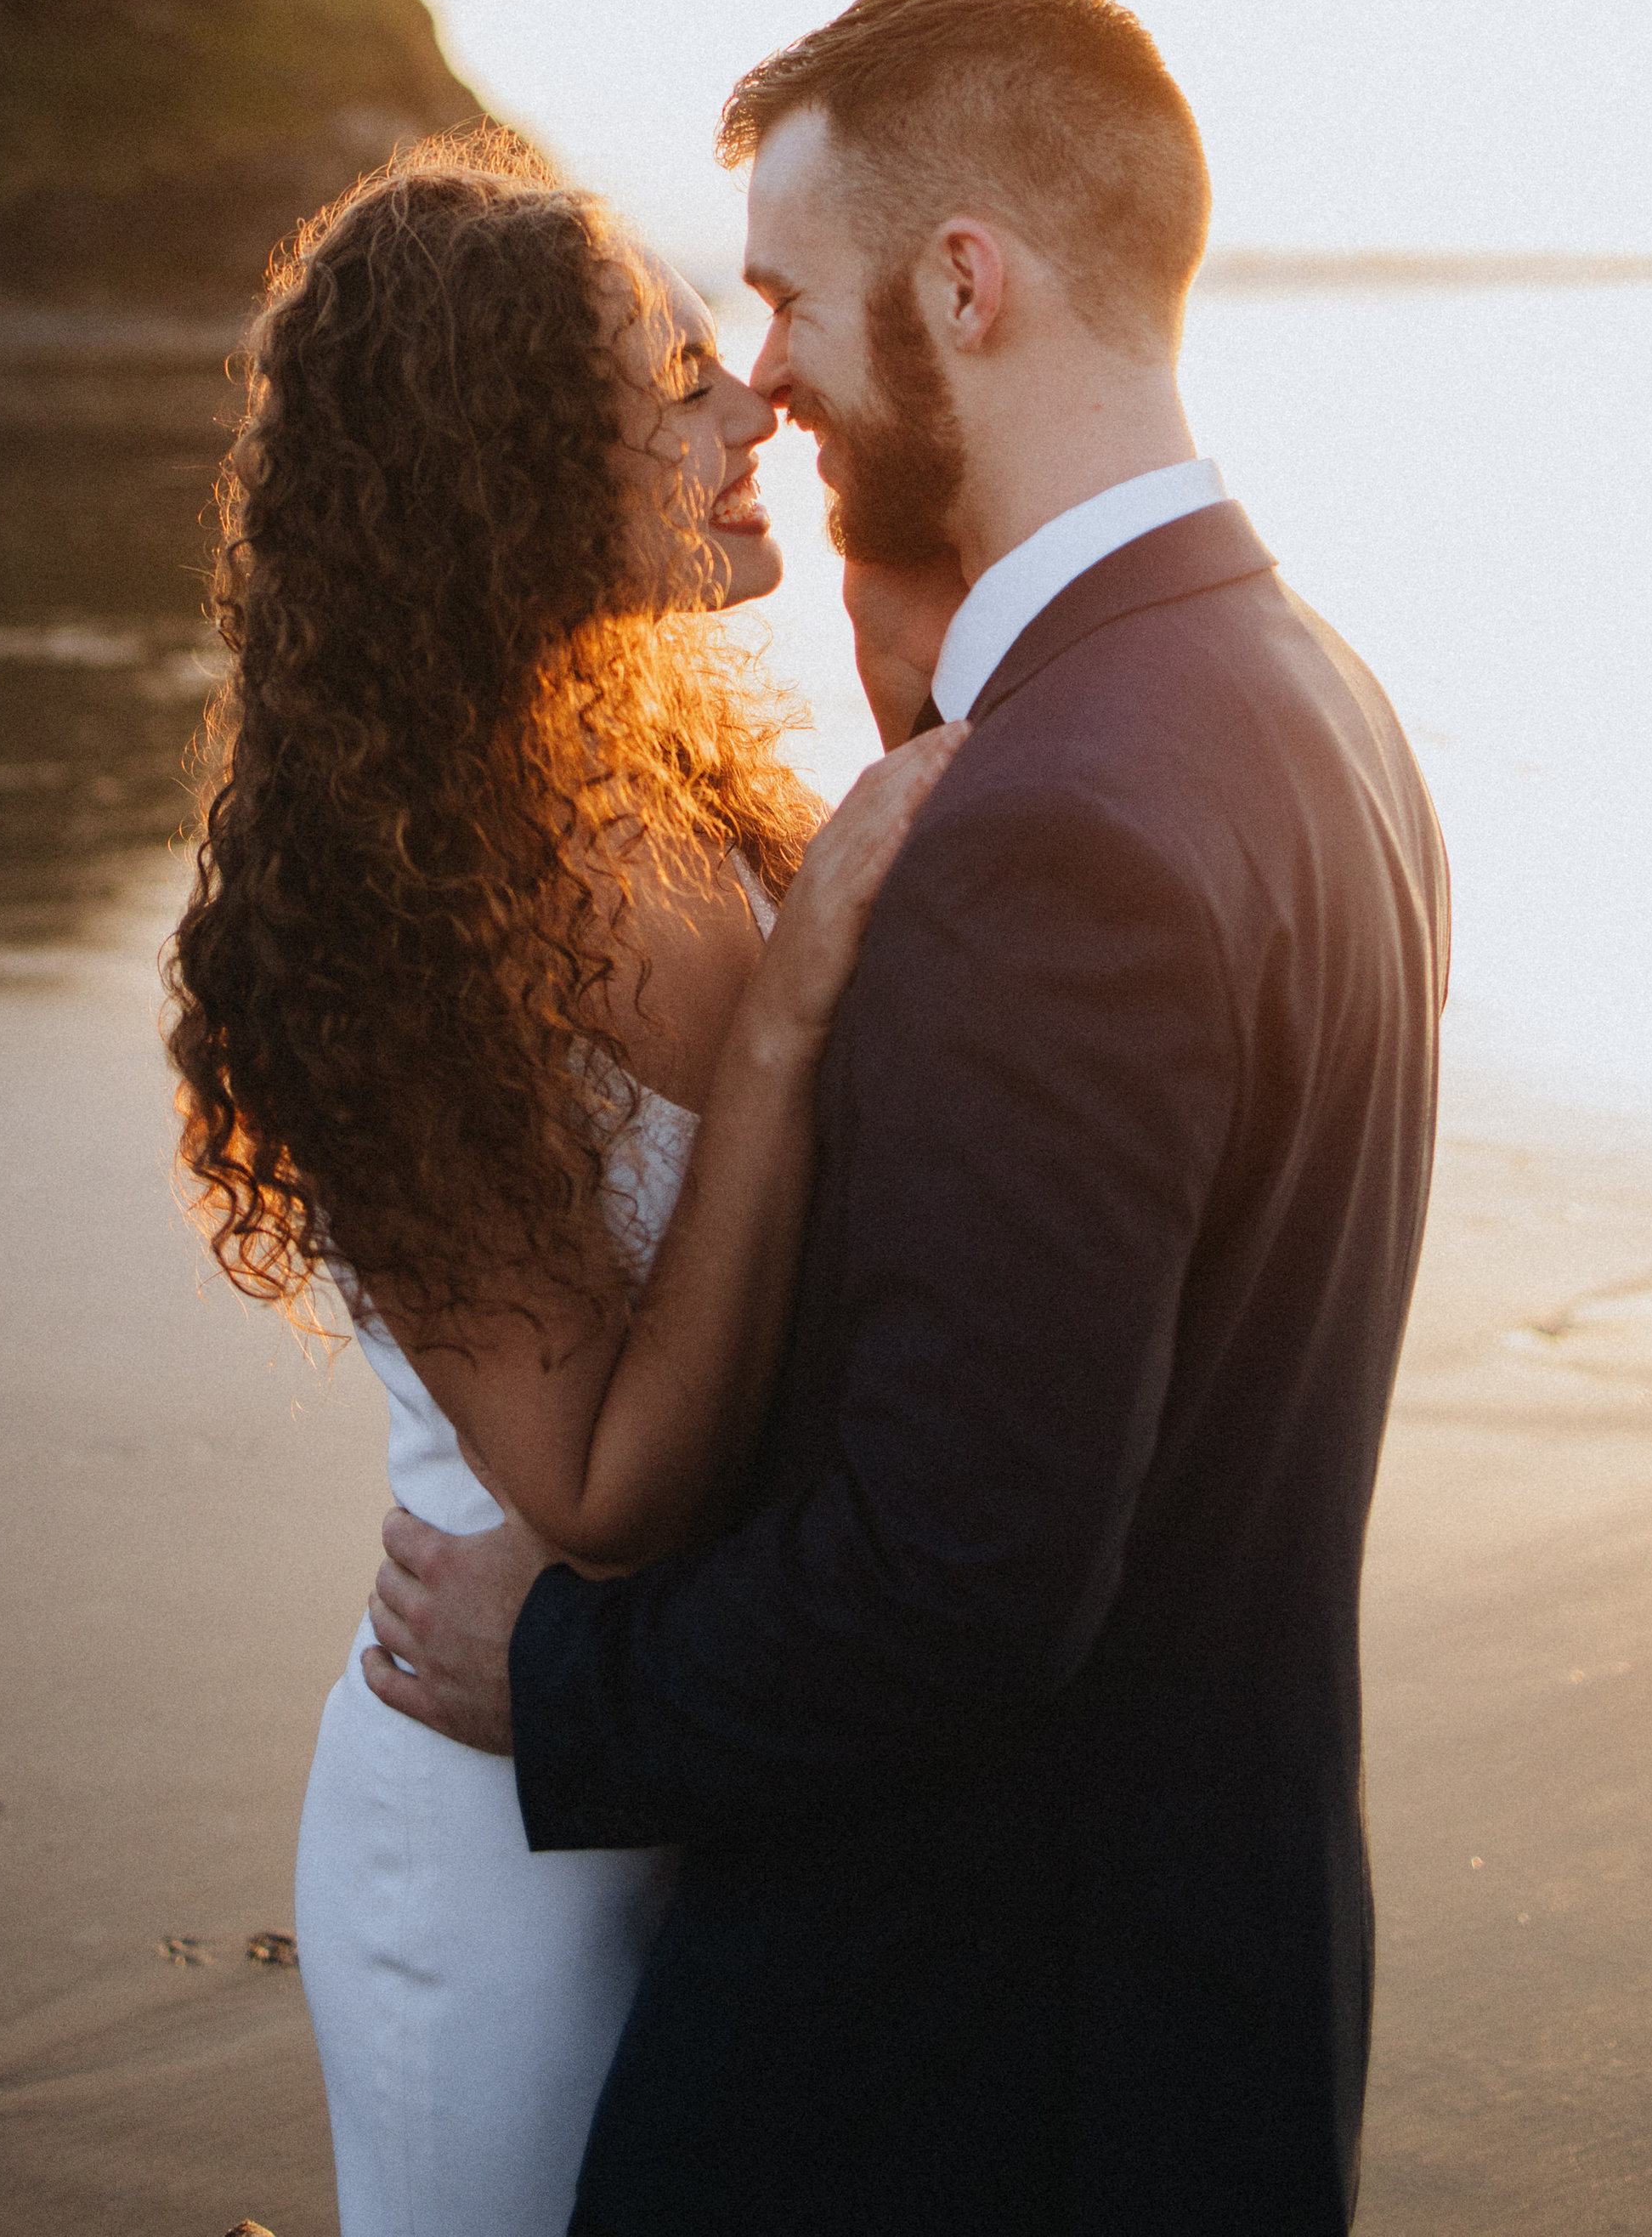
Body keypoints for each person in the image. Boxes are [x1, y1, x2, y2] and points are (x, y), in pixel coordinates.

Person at [362, 0, 1451, 2234]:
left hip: (955, 2072)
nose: (763, 380)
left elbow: (959, 1578)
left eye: (786, 299)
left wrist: (559, 1682)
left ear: (966, 288)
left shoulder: (1055, 819)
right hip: (1209, 1997)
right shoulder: (1301, 688)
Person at [165, 136, 965, 2237]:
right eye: (675, 375)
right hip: (493, 1836)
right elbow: (599, 1491)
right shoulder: (370, 918)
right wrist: (788, 1020)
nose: (752, 408)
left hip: (712, 1749)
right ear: (499, 467)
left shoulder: (684, 777)